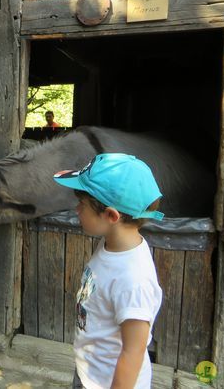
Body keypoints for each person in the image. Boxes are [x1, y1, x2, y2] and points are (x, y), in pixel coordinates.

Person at [53, 153, 164, 388]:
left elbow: (133, 352)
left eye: (82, 204)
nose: (76, 210)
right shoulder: (111, 245)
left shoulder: (133, 279)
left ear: (111, 215)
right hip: (90, 371)